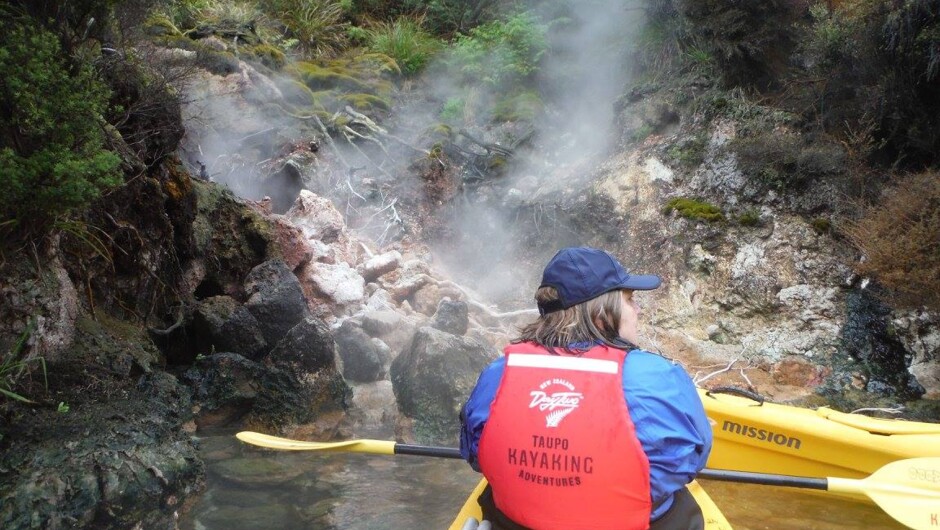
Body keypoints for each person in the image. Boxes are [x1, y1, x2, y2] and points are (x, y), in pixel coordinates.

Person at [459, 246, 712, 530]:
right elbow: (692, 459)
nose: (638, 310)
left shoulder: (498, 372)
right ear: (602, 314)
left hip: (517, 523)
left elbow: (475, 454)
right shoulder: (660, 376)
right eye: (630, 300)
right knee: (680, 504)